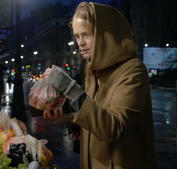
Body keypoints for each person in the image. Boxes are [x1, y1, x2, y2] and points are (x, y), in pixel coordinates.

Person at [42, 2, 158, 169]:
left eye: (86, 34)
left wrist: (69, 87)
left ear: (105, 34)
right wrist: (70, 120)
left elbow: (113, 128)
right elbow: (97, 119)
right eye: (77, 36)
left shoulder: (133, 70)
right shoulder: (94, 71)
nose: (80, 43)